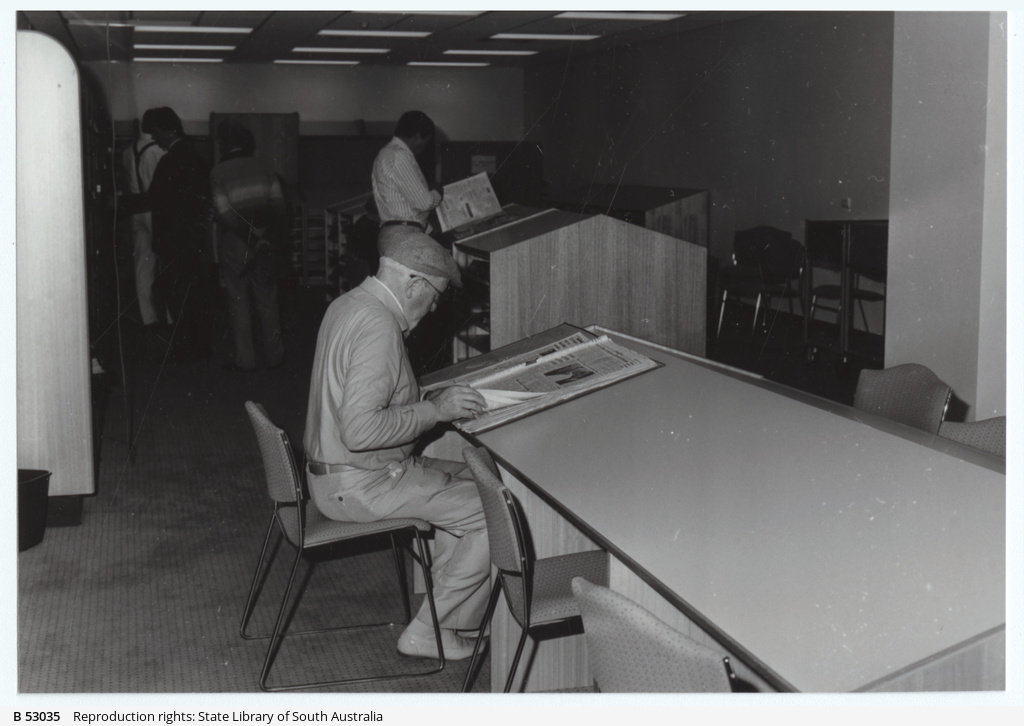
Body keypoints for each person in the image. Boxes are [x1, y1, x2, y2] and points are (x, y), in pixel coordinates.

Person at [303, 228, 489, 661]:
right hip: (361, 484)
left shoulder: (348, 303)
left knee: (468, 475)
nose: (435, 305)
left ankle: (448, 621)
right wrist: (437, 412)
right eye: (437, 294)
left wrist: (425, 403)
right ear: (413, 283)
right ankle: (427, 631)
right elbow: (361, 430)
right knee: (492, 513)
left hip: (338, 474)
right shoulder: (380, 325)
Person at [209, 120, 287, 370]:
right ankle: (275, 357)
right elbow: (279, 207)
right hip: (265, 241)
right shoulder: (266, 168)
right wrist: (263, 238)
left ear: (223, 146)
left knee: (239, 299)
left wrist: (250, 237)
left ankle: (246, 360)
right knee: (268, 299)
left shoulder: (217, 173)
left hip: (235, 243)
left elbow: (224, 213)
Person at [141, 106, 213, 362]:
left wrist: (118, 203)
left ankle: (185, 350)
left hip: (173, 242)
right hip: (193, 241)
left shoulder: (170, 160)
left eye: (157, 132)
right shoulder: (196, 157)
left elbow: (152, 198)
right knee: (192, 296)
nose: (154, 138)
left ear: (169, 130)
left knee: (175, 296)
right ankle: (196, 348)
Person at [121, 120, 168, 329]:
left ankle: (148, 318)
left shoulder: (126, 152)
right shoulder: (158, 151)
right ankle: (170, 316)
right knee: (166, 263)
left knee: (142, 266)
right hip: (156, 211)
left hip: (136, 211)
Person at [371, 110, 444, 242]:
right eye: (425, 142)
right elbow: (424, 203)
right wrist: (440, 192)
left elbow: (407, 205)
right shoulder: (400, 156)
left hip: (395, 233)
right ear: (416, 136)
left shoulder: (386, 153)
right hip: (404, 234)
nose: (423, 148)